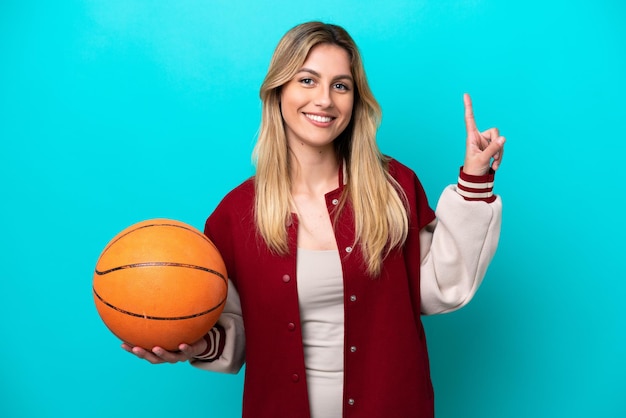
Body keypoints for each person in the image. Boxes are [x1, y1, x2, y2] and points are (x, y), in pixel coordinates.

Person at [123, 21, 505, 418]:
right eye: (307, 80)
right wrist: (187, 344)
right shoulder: (236, 214)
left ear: (355, 101)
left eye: (340, 86)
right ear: (279, 90)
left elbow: (440, 288)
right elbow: (235, 337)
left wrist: (474, 181)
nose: (324, 100)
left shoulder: (395, 188)